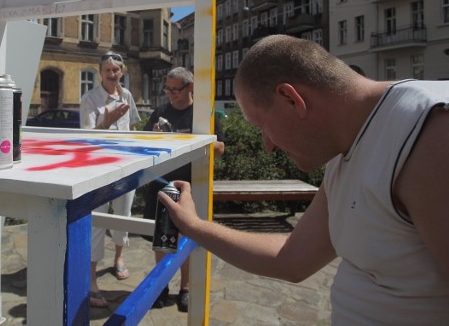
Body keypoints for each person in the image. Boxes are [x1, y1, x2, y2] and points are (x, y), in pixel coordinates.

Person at [159, 35, 449, 324]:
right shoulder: (348, 146)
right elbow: (292, 259)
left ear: (291, 99)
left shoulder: (432, 132)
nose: (268, 145)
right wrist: (194, 226)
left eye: (262, 125)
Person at [142, 66, 225, 312]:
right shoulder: (159, 113)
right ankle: (161, 286)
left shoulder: (203, 114)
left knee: (187, 239)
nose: (170, 94)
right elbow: (143, 143)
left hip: (192, 185)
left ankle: (186, 289)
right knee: (161, 239)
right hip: (162, 183)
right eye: (167, 89)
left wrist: (193, 139)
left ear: (190, 88)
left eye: (174, 89)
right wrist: (154, 136)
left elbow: (220, 148)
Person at [79, 51, 141, 308]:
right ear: (100, 72)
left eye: (116, 70)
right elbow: (86, 139)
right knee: (97, 220)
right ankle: (91, 279)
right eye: (107, 70)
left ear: (122, 72)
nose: (112, 74)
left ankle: (118, 258)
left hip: (125, 167)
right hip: (99, 170)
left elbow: (134, 128)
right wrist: (106, 122)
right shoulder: (90, 99)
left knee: (123, 215)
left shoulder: (126, 96)